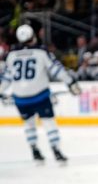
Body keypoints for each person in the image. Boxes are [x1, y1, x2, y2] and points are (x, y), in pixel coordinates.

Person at [0, 24, 81, 163]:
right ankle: (56, 150)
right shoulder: (41, 52)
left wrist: (1, 91)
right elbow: (56, 70)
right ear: (33, 37)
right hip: (40, 96)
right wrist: (71, 83)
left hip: (20, 99)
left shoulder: (11, 56)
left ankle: (34, 150)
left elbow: (7, 77)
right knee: (49, 122)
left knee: (29, 124)